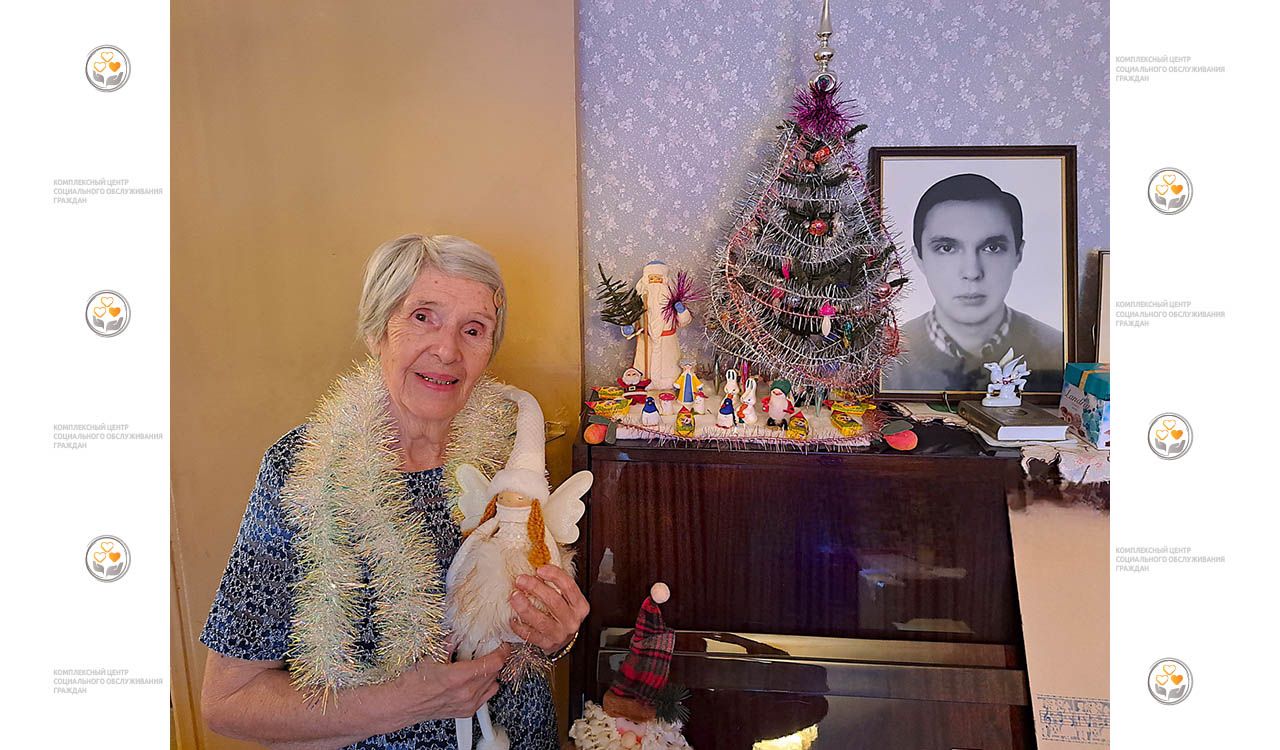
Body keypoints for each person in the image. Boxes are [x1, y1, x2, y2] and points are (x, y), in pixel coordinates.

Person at [199, 234, 589, 750]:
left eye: (473, 329)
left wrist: (557, 636)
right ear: (377, 328)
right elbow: (228, 702)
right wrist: (407, 701)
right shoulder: (303, 470)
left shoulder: (513, 456)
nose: (447, 351)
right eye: (423, 317)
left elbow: (527, 631)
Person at [883, 173, 1062, 392]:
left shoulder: (1058, 352)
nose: (972, 272)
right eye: (947, 248)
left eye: (992, 248)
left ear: (1018, 254)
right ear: (919, 259)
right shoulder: (884, 360)